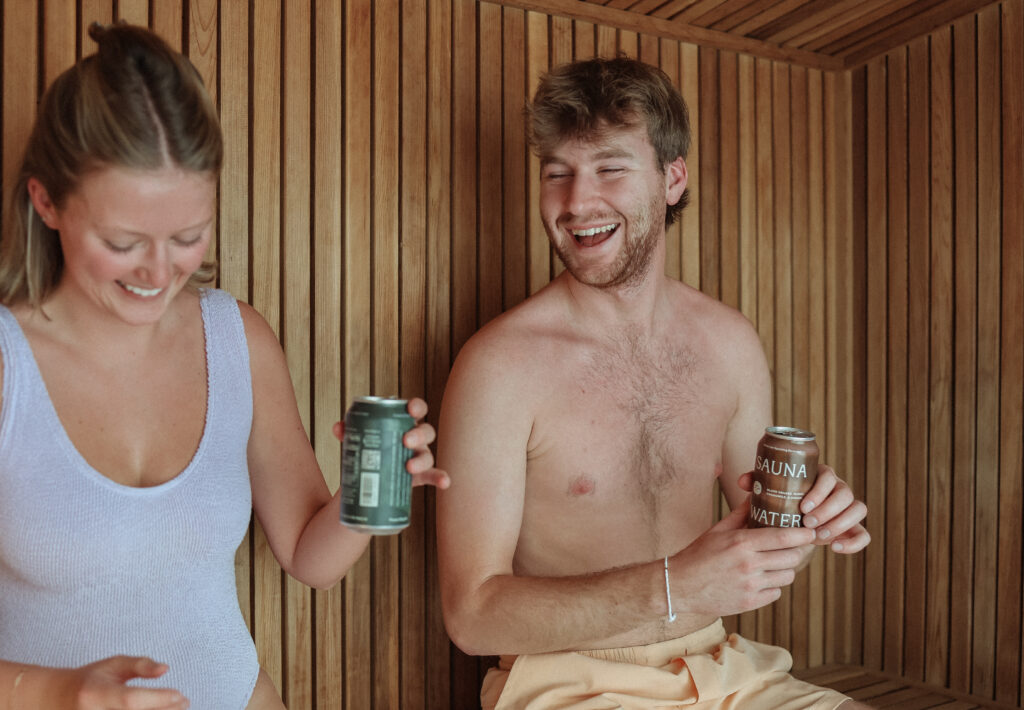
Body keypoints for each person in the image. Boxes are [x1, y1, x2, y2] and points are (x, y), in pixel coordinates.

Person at [0, 23, 447, 710]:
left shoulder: (237, 338)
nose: (158, 272)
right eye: (123, 242)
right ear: (46, 202)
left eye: (188, 236)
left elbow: (309, 557)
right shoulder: (9, 365)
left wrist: (371, 496)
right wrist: (58, 692)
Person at [435, 56, 871, 710]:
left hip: (725, 672)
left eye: (610, 168)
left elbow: (760, 544)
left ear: (672, 178)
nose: (576, 202)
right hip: (570, 685)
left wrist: (808, 522)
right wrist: (676, 586)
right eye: (557, 173)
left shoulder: (728, 343)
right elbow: (471, 616)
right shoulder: (499, 366)